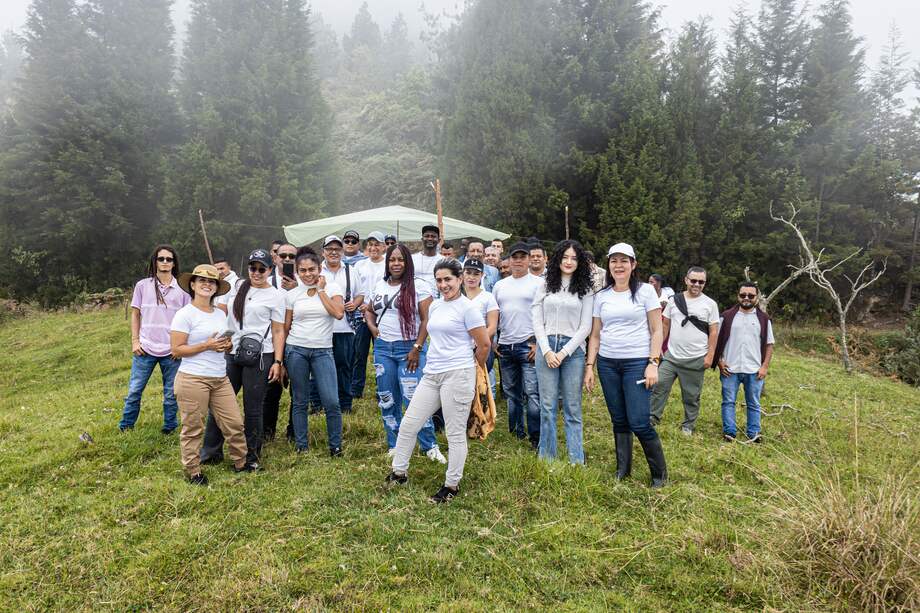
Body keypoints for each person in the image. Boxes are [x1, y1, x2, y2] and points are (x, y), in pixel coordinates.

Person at [385, 259, 490, 503]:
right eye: (439, 280)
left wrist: (473, 372)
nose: (443, 285)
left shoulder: (468, 308)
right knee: (409, 423)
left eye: (448, 280)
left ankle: (451, 486)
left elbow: (484, 345)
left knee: (454, 433)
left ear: (460, 279)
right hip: (432, 374)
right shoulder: (435, 307)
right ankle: (399, 473)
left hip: (458, 374)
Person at [584, 242, 667, 487]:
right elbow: (596, 334)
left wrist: (653, 362)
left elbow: (657, 330)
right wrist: (590, 366)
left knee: (639, 421)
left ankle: (659, 474)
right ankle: (623, 470)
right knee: (619, 419)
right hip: (608, 364)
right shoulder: (602, 296)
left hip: (637, 363)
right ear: (608, 265)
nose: (618, 266)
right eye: (614, 261)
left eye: (624, 261)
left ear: (633, 264)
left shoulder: (645, 292)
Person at [200, 249, 286, 472]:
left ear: (269, 270)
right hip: (232, 351)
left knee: (253, 406)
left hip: (260, 356)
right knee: (219, 404)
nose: (256, 273)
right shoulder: (238, 286)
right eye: (252, 268)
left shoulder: (276, 295)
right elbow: (223, 313)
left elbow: (278, 330)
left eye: (261, 269)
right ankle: (210, 452)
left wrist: (277, 361)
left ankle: (251, 455)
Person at [365, 243, 446, 463]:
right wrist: (372, 328)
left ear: (407, 262)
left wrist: (417, 348)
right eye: (392, 259)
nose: (396, 263)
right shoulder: (380, 285)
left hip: (410, 349)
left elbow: (427, 319)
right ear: (387, 262)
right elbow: (369, 310)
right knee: (388, 399)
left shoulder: (419, 286)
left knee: (415, 401)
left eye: (400, 259)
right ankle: (395, 444)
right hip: (383, 349)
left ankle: (429, 445)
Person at [171, 264, 247, 484]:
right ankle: (194, 472)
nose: (207, 284)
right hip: (193, 378)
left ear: (216, 288)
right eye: (201, 281)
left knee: (234, 422)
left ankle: (241, 463)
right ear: (192, 285)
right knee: (193, 427)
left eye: (211, 281)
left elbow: (224, 342)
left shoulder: (220, 313)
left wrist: (226, 344)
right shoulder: (184, 314)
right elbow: (176, 350)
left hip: (220, 377)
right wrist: (206, 345)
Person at [532, 240, 594, 464]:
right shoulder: (545, 284)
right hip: (546, 346)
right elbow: (536, 319)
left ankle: (576, 458)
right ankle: (547, 456)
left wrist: (564, 352)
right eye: (565, 257)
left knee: (573, 407)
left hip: (573, 352)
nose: (569, 262)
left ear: (580, 262)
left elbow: (586, 326)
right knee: (547, 406)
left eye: (574, 258)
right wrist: (547, 351)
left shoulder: (586, 289)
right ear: (558, 259)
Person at [119, 245, 189, 434]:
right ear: (155, 261)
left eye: (169, 259)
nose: (165, 262)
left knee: (170, 394)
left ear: (174, 263)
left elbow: (187, 320)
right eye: (161, 259)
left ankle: (169, 427)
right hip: (145, 348)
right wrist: (135, 341)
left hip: (171, 351)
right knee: (134, 391)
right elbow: (135, 314)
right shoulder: (143, 285)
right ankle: (126, 426)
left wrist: (180, 346)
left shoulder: (183, 290)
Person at [284, 250, 346, 456]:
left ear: (320, 269)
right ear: (297, 272)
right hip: (296, 349)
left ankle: (335, 446)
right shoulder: (293, 294)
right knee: (300, 400)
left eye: (312, 269)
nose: (308, 274)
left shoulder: (333, 287)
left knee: (331, 401)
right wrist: (280, 358)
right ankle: (302, 446)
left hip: (323, 350)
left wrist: (321, 291)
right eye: (303, 270)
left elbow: (338, 313)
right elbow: (285, 327)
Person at [649, 267, 720, 435]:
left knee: (691, 395)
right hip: (671, 356)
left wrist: (710, 356)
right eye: (693, 280)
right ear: (686, 280)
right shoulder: (674, 300)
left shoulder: (710, 304)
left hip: (695, 358)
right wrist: (659, 347)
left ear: (705, 283)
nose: (697, 284)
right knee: (659, 387)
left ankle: (688, 425)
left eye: (701, 282)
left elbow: (714, 332)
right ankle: (652, 418)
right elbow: (665, 324)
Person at [492, 242, 543, 449]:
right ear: (509, 260)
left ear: (529, 259)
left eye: (523, 257)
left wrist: (538, 344)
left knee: (532, 393)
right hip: (505, 345)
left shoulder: (539, 283)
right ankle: (516, 432)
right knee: (511, 393)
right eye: (515, 257)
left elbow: (546, 315)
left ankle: (535, 436)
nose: (519, 260)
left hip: (528, 344)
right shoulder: (500, 285)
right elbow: (493, 315)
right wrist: (494, 339)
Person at [712, 282, 774, 443]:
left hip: (754, 370)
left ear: (757, 298)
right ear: (738, 296)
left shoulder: (764, 319)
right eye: (743, 295)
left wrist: (764, 367)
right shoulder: (726, 316)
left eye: (751, 296)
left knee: (753, 402)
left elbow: (769, 344)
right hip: (730, 368)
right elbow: (716, 341)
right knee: (728, 401)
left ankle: (754, 433)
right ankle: (729, 432)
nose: (746, 298)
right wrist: (719, 361)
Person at [317, 235, 364, 414]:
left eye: (337, 249)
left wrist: (356, 303)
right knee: (318, 368)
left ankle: (345, 404)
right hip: (321, 328)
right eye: (329, 249)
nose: (334, 252)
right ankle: (316, 405)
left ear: (342, 251)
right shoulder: (316, 270)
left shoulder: (350, 271)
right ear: (323, 252)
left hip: (345, 328)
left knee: (344, 366)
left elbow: (360, 294)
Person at [264, 242, 300, 440]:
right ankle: (267, 432)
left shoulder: (304, 281)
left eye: (291, 256)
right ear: (275, 257)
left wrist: (296, 288)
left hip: (297, 342)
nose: (286, 259)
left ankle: (294, 432)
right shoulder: (266, 281)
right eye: (282, 255)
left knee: (298, 391)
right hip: (272, 342)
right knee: (271, 390)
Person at [352, 231, 387, 400]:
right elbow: (356, 289)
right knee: (359, 354)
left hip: (382, 315)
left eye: (377, 244)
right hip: (361, 316)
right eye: (370, 244)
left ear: (384, 246)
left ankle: (383, 388)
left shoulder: (388, 264)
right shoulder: (360, 265)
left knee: (381, 353)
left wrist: (371, 305)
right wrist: (360, 304)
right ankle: (356, 389)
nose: (373, 248)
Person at [461, 258, 499, 395]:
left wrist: (476, 341)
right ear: (462, 274)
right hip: (459, 347)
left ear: (482, 275)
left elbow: (492, 326)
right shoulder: (456, 295)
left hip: (480, 347)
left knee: (479, 385)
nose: (471, 277)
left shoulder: (488, 297)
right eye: (468, 272)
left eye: (476, 274)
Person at [412, 225, 442, 289]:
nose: (430, 239)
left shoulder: (443, 261)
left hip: (436, 297)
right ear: (422, 239)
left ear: (439, 240)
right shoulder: (412, 259)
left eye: (433, 236)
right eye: (427, 236)